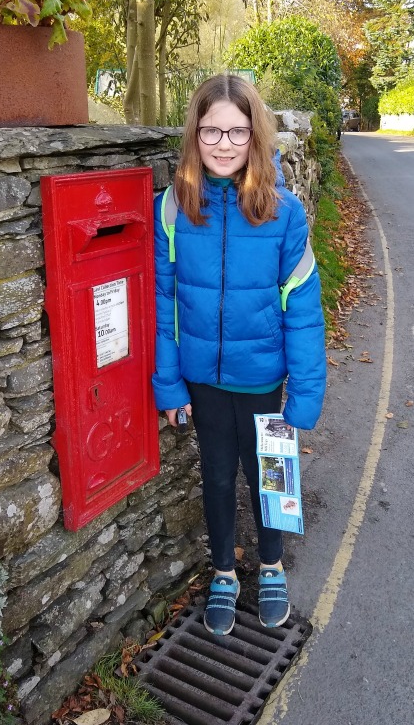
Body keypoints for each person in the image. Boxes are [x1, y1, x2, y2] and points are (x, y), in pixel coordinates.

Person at [152, 74, 326, 636]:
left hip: (263, 379)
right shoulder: (173, 209)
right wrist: (169, 383)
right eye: (211, 131)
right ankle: (225, 572)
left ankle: (271, 565)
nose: (223, 143)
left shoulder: (284, 213)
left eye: (236, 130)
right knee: (218, 478)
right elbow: (164, 303)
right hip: (202, 378)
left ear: (255, 135)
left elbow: (302, 309)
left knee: (270, 474)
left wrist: (304, 395)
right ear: (194, 134)